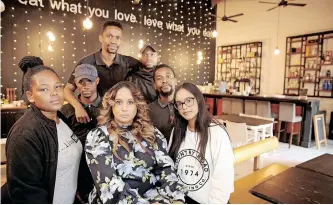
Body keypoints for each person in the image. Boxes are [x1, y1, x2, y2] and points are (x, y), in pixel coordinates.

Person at [85, 81, 186, 204]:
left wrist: (177, 198)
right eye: (118, 102)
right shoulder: (98, 136)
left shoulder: (152, 133)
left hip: (154, 198)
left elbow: (165, 169)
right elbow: (109, 186)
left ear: (137, 105)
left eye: (130, 102)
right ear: (111, 105)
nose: (124, 108)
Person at [5, 56, 82, 203]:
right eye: (44, 89)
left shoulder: (60, 118)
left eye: (58, 86)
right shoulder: (25, 135)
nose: (54, 93)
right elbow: (26, 193)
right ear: (30, 96)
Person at [168, 82, 234, 204]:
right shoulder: (177, 131)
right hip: (182, 199)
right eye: (179, 103)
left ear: (199, 99)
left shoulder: (217, 133)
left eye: (189, 100)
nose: (184, 107)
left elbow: (223, 182)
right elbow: (170, 170)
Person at [64, 20, 140, 124]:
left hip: (117, 116)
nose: (113, 41)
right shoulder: (86, 62)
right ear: (101, 38)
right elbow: (67, 90)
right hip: (93, 115)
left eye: (117, 38)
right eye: (109, 36)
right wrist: (78, 107)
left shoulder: (128, 62)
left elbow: (148, 71)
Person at [60, 64, 101, 203]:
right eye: (81, 82)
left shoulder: (110, 108)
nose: (85, 86)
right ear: (76, 84)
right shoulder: (66, 111)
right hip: (75, 172)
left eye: (89, 81)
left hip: (103, 171)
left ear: (97, 81)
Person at [148, 64, 177, 142]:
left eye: (168, 76)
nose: (164, 81)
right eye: (159, 78)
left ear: (175, 81)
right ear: (155, 85)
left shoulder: (185, 106)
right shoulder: (148, 110)